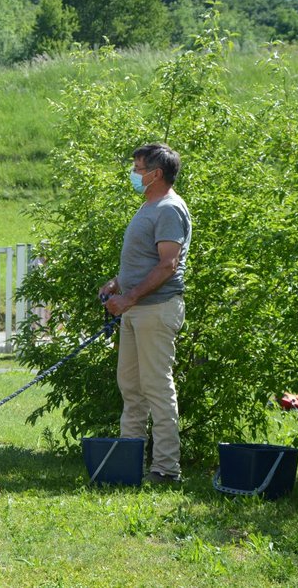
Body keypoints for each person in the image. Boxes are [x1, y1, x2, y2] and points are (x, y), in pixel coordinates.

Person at [99, 142, 191, 484]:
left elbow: (168, 264)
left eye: (138, 169)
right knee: (131, 388)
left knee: (157, 388)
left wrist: (129, 297)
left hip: (155, 310)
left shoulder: (169, 209)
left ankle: (166, 469)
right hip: (136, 309)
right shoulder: (148, 206)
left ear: (156, 174)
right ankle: (130, 464)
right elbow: (144, 261)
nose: (134, 174)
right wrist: (117, 284)